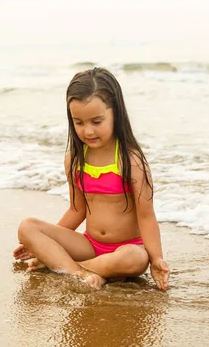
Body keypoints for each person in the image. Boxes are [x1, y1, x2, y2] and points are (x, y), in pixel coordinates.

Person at [13, 67, 169, 290]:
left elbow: (146, 216)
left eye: (96, 121)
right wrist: (45, 243)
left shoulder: (131, 162)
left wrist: (156, 259)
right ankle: (83, 272)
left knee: (135, 258)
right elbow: (77, 210)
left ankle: (71, 267)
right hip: (90, 244)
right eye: (79, 122)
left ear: (115, 113)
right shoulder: (75, 160)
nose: (88, 131)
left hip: (125, 250)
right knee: (27, 227)